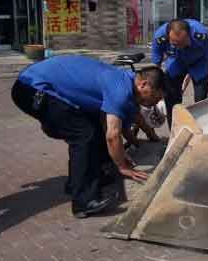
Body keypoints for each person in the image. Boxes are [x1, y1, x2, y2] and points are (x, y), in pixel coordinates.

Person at [11, 55, 165, 218]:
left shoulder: (128, 83)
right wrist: (122, 167)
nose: (155, 102)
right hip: (31, 87)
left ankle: (81, 181)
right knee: (84, 135)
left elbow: (130, 118)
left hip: (39, 84)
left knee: (93, 128)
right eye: (156, 96)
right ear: (143, 85)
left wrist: (148, 136)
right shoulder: (120, 89)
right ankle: (83, 202)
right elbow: (112, 136)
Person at [152, 18, 208, 128]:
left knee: (200, 100)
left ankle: (201, 130)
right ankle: (174, 130)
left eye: (182, 43)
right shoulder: (159, 37)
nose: (180, 47)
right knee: (171, 98)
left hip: (199, 63)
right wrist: (158, 92)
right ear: (168, 37)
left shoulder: (201, 34)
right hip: (176, 61)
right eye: (175, 44)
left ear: (189, 35)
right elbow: (156, 67)